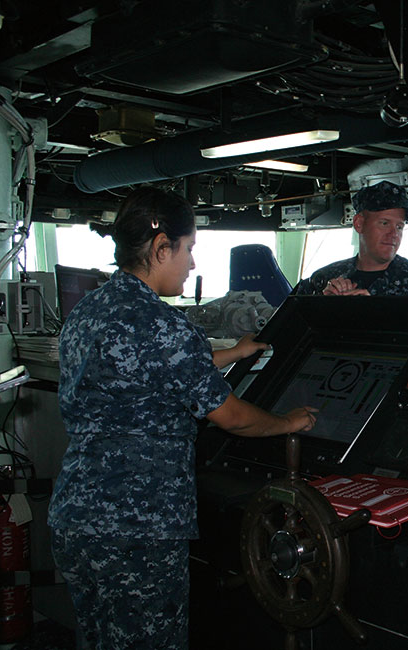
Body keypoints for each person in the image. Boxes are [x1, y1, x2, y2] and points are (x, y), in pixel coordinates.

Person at [47, 186, 319, 650]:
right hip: (139, 528)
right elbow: (231, 416)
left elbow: (141, 370)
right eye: (188, 249)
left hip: (79, 517)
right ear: (160, 248)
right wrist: (288, 423)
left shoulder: (90, 309)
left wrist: (232, 353)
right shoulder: (163, 325)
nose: (191, 263)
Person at [292, 180, 408, 297]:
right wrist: (324, 305)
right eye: (384, 223)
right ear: (359, 223)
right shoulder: (322, 280)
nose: (393, 234)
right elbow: (286, 334)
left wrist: (377, 310)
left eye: (399, 227)